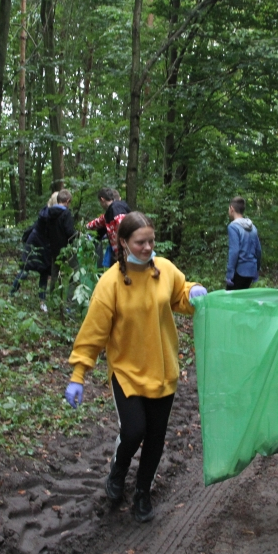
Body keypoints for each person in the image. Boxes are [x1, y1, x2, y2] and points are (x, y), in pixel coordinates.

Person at [63, 212, 208, 523]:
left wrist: (194, 292)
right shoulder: (110, 283)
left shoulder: (165, 270)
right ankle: (118, 468)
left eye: (151, 241)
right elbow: (93, 333)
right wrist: (79, 375)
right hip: (126, 372)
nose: (147, 247)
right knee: (133, 431)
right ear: (124, 243)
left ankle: (143, 492)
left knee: (155, 437)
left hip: (163, 369)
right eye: (140, 242)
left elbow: (181, 295)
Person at [12, 189, 76, 310]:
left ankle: (43, 301)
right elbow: (40, 228)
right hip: (39, 245)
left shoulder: (48, 213)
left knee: (43, 273)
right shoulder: (51, 214)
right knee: (27, 270)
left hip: (45, 246)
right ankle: (13, 294)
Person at [86, 187, 131, 268]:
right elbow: (98, 222)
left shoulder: (116, 208)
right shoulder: (109, 212)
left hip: (125, 251)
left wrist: (124, 249)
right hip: (119, 252)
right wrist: (86, 227)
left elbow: (123, 227)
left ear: (102, 199)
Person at [226, 196, 262, 291]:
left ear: (232, 209)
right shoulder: (253, 227)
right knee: (242, 299)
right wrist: (256, 270)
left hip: (239, 271)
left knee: (230, 300)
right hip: (251, 270)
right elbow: (258, 250)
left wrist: (230, 273)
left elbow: (234, 251)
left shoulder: (233, 227)